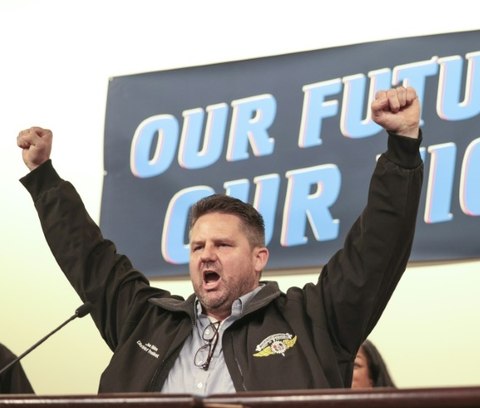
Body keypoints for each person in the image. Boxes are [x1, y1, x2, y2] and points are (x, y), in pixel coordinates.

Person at [16, 86, 423, 394]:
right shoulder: (145, 319)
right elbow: (88, 257)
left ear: (259, 257)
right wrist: (44, 178)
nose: (206, 255)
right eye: (197, 247)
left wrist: (403, 149)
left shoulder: (313, 319)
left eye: (222, 245)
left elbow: (375, 253)